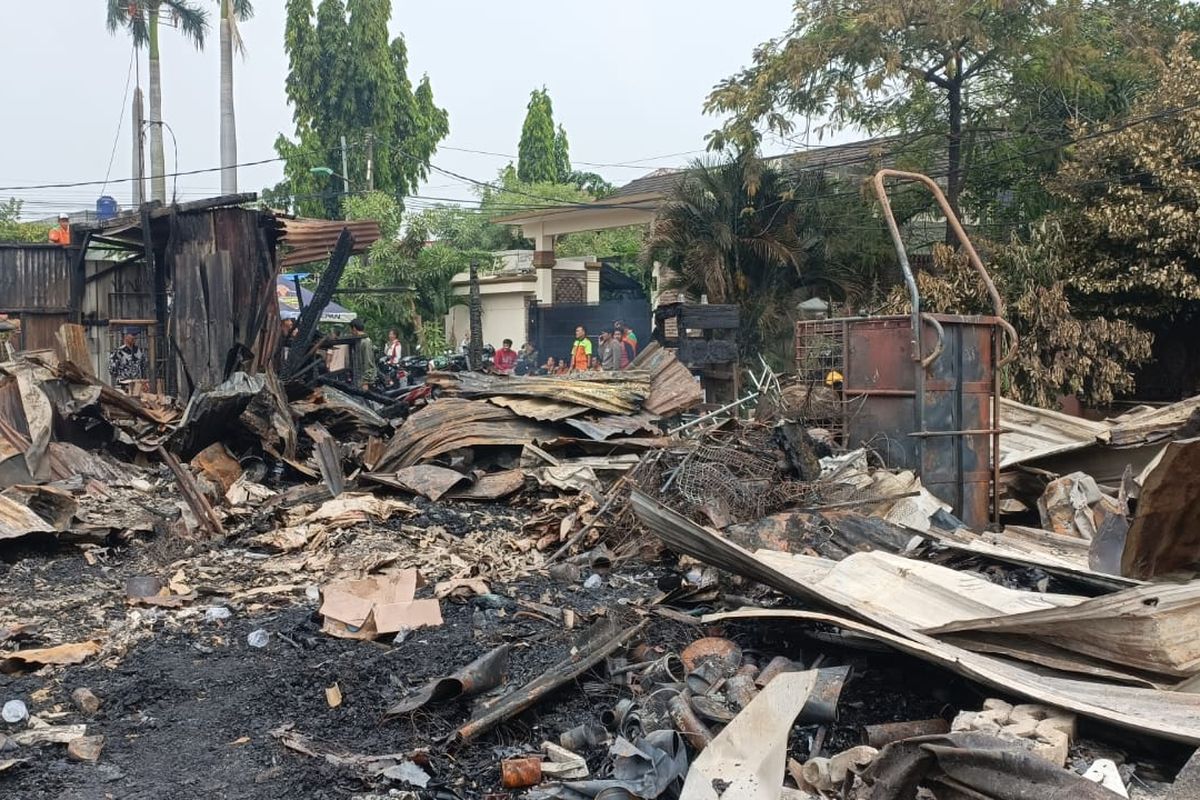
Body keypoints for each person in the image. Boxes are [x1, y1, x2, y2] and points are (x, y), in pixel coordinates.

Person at [108, 327, 148, 392]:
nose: (134, 337)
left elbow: (144, 368)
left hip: (138, 385)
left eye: (135, 335)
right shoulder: (118, 352)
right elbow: (112, 370)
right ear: (125, 336)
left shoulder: (139, 351)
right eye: (132, 334)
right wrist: (123, 375)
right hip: (123, 385)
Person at [349, 319, 376, 389]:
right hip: (359, 378)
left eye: (351, 329)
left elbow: (368, 361)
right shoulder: (359, 340)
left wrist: (366, 382)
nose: (351, 332)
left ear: (354, 328)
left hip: (363, 380)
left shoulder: (365, 341)